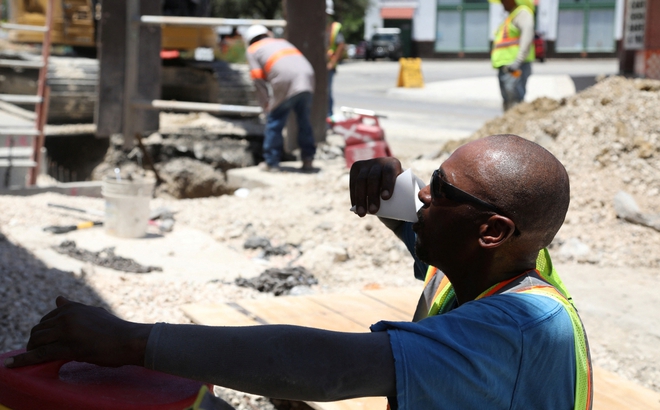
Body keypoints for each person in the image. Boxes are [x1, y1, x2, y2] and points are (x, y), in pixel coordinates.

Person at [6, 134, 592, 409]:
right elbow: (425, 226)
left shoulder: (516, 328)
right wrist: (387, 183)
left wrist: (131, 340)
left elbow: (327, 371)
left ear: (490, 231)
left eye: (438, 190)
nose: (423, 201)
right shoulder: (499, 263)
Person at [244, 24, 316, 172]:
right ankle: (308, 160)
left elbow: (257, 79)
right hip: (307, 77)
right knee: (304, 121)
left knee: (274, 121)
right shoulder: (282, 41)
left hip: (286, 80)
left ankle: (271, 162)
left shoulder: (253, 49)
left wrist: (265, 103)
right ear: (267, 33)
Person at [492, 0, 536, 111]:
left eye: (504, 1)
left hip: (515, 66)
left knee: (515, 98)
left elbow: (527, 35)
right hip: (507, 66)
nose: (502, 3)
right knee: (508, 98)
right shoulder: (511, 17)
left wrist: (518, 60)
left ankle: (516, 125)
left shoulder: (522, 13)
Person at [325, 0, 345, 119]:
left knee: (326, 92)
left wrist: (332, 63)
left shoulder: (334, 27)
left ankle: (329, 116)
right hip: (316, 65)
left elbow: (341, 45)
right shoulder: (312, 25)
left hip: (328, 65)